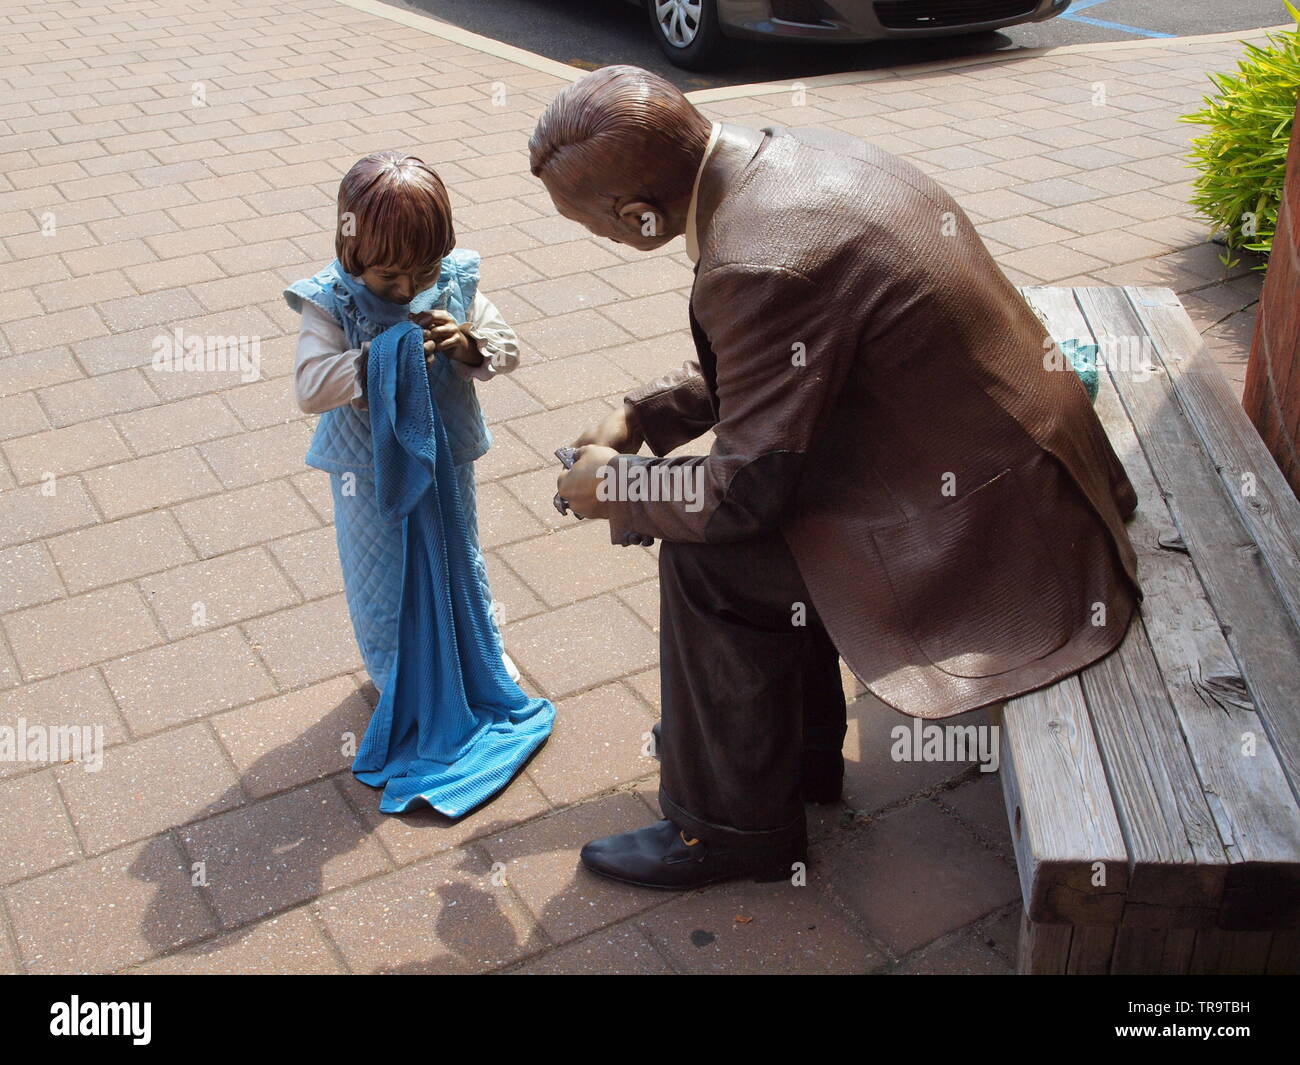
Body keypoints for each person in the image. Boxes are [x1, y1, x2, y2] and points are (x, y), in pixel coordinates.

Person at [529, 66, 1143, 889]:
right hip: (1007, 467)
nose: (602, 240)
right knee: (755, 528)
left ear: (637, 218)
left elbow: (743, 491)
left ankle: (732, 830)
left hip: (999, 533)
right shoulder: (780, 159)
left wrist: (616, 489)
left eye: (594, 227)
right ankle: (801, 759)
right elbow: (784, 354)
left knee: (710, 561)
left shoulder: (757, 257)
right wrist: (642, 415)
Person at [284, 152, 553, 815]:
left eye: (422, 272)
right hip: (366, 474)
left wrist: (467, 345)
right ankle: (398, 677)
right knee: (381, 576)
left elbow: (508, 346)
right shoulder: (334, 301)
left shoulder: (454, 282)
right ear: (350, 253)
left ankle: (474, 661)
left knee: (460, 556)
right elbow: (308, 386)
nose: (406, 290)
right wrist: (377, 358)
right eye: (388, 276)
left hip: (445, 457)